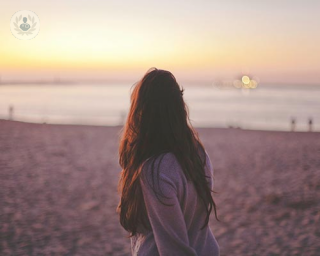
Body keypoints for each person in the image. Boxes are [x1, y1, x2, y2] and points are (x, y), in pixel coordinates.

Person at [117, 68, 220, 256]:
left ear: (141, 111)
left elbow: (174, 249)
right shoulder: (197, 153)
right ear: (179, 107)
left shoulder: (154, 171)